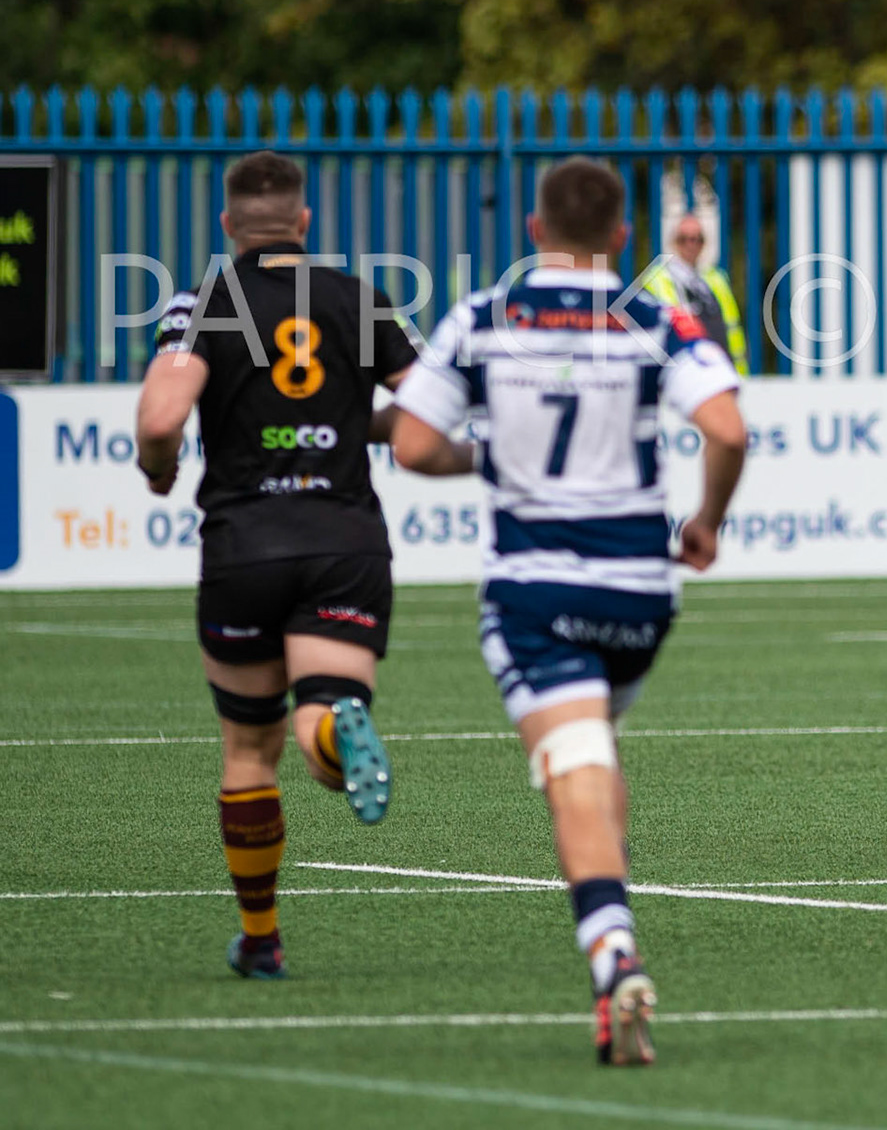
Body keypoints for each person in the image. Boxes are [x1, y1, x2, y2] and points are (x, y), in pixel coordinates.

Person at [390, 156, 746, 1067]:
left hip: (537, 586)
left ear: (534, 231)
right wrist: (706, 523)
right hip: (639, 593)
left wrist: (492, 458)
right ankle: (610, 928)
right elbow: (728, 428)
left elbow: (414, 445)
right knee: (592, 749)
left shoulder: (484, 316)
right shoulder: (650, 316)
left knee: (575, 763)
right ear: (624, 236)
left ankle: (613, 952)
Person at [134, 150, 417, 980]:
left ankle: (261, 939)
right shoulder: (360, 298)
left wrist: (158, 469)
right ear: (304, 222)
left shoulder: (203, 303)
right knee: (316, 716)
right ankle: (333, 728)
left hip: (245, 544)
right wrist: (352, 423)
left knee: (250, 750)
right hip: (343, 542)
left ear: (229, 226)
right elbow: (430, 409)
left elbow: (161, 419)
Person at [639, 210, 748, 374]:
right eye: (685, 239)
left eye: (698, 239)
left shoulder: (716, 279)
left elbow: (732, 330)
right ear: (674, 242)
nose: (692, 244)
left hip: (723, 373)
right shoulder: (656, 280)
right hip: (685, 375)